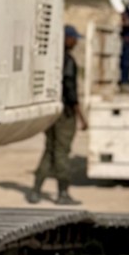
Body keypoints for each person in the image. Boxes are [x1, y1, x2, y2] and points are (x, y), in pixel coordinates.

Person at [29, 24, 88, 205]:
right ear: (66, 39)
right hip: (65, 112)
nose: (76, 42)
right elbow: (70, 89)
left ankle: (36, 191)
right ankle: (63, 193)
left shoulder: (50, 59)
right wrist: (80, 115)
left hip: (51, 111)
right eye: (73, 38)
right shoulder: (67, 60)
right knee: (62, 152)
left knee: (49, 150)